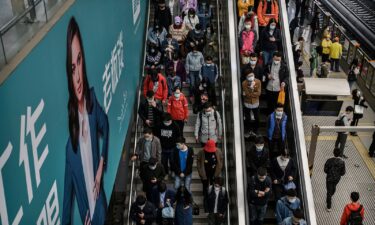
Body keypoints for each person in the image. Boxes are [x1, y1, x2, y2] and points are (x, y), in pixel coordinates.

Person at [63, 17, 109, 225]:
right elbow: (66, 205)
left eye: (79, 60)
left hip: (100, 208)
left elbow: (105, 124)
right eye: (72, 69)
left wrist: (100, 167)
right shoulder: (70, 149)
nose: (78, 76)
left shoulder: (91, 101)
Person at [197, 139, 224, 206]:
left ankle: (212, 200)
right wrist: (201, 172)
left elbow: (220, 161)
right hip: (204, 173)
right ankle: (206, 200)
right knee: (205, 187)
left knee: (214, 187)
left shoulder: (218, 151)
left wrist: (219, 170)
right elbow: (198, 162)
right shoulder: (201, 152)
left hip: (214, 173)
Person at [324, 147, 346, 211]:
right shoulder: (342, 162)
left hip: (329, 178)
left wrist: (329, 173)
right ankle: (329, 198)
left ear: (333, 153)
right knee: (333, 188)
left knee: (329, 191)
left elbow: (325, 170)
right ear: (340, 154)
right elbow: (343, 173)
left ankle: (329, 206)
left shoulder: (329, 160)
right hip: (337, 179)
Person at [242, 70, 262, 136]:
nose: (251, 77)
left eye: (252, 75)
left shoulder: (258, 82)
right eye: (249, 76)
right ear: (246, 77)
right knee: (248, 118)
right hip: (247, 103)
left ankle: (256, 130)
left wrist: (250, 93)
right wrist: (251, 88)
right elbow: (246, 94)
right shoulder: (244, 83)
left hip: (256, 103)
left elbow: (258, 93)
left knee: (257, 118)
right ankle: (248, 129)